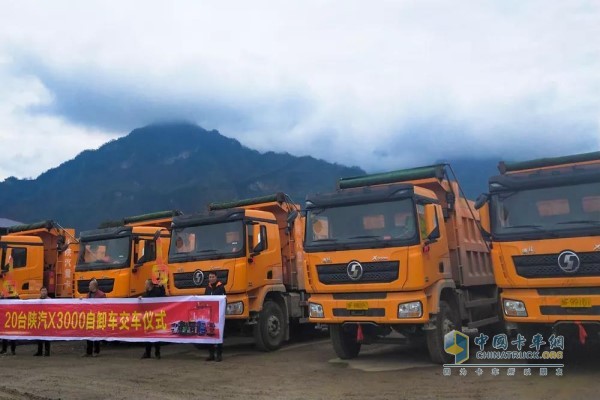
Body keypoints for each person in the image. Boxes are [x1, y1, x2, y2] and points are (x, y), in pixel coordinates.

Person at [140, 279, 166, 359]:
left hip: (156, 316)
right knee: (148, 336)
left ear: (149, 285)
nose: (145, 285)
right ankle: (147, 353)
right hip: (148, 317)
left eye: (145, 284)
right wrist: (141, 298)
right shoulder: (146, 293)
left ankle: (157, 353)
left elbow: (163, 296)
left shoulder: (157, 291)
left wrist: (162, 287)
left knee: (156, 336)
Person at [205, 271, 225, 362]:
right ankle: (211, 354)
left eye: (213, 277)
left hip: (218, 315)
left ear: (216, 278)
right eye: (210, 277)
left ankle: (219, 355)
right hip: (210, 314)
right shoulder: (207, 288)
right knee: (210, 333)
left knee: (218, 334)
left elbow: (224, 300)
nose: (211, 278)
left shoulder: (221, 287)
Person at [84, 279, 106, 357]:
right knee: (88, 335)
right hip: (90, 317)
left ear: (94, 286)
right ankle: (89, 352)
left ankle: (96, 351)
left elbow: (104, 306)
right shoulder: (88, 295)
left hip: (97, 317)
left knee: (96, 335)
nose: (89, 286)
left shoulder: (101, 295)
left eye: (90, 285)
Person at [34, 287, 51, 356]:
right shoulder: (37, 300)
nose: (44, 292)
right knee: (39, 337)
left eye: (45, 291)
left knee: (47, 337)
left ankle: (47, 352)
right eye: (42, 291)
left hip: (47, 321)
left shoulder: (50, 300)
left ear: (47, 292)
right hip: (40, 320)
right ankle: (39, 351)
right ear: (40, 292)